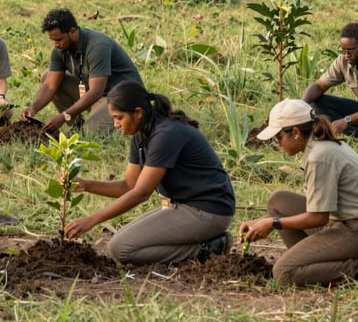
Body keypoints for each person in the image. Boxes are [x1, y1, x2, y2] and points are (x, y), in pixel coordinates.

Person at [64, 80, 236, 264]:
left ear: (138, 113)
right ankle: (204, 245)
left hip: (209, 212)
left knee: (120, 249)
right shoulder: (141, 134)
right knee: (123, 241)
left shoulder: (166, 135)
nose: (115, 124)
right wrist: (86, 185)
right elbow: (129, 185)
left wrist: (92, 220)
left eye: (119, 117)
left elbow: (141, 193)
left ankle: (206, 249)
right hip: (185, 207)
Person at [239, 99, 358, 287]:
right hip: (342, 221)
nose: (277, 144)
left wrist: (273, 223)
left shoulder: (319, 157)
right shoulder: (320, 144)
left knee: (284, 273)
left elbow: (318, 218)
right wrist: (261, 222)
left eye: (277, 138)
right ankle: (312, 260)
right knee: (278, 202)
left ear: (295, 132)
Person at [20, 8, 144, 134]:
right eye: (52, 40)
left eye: (58, 39)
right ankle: (77, 126)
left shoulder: (97, 46)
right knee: (47, 76)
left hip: (121, 98)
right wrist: (33, 108)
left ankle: (99, 123)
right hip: (97, 95)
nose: (55, 44)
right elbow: (49, 85)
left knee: (90, 132)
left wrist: (64, 116)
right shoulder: (60, 50)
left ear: (73, 32)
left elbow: (96, 91)